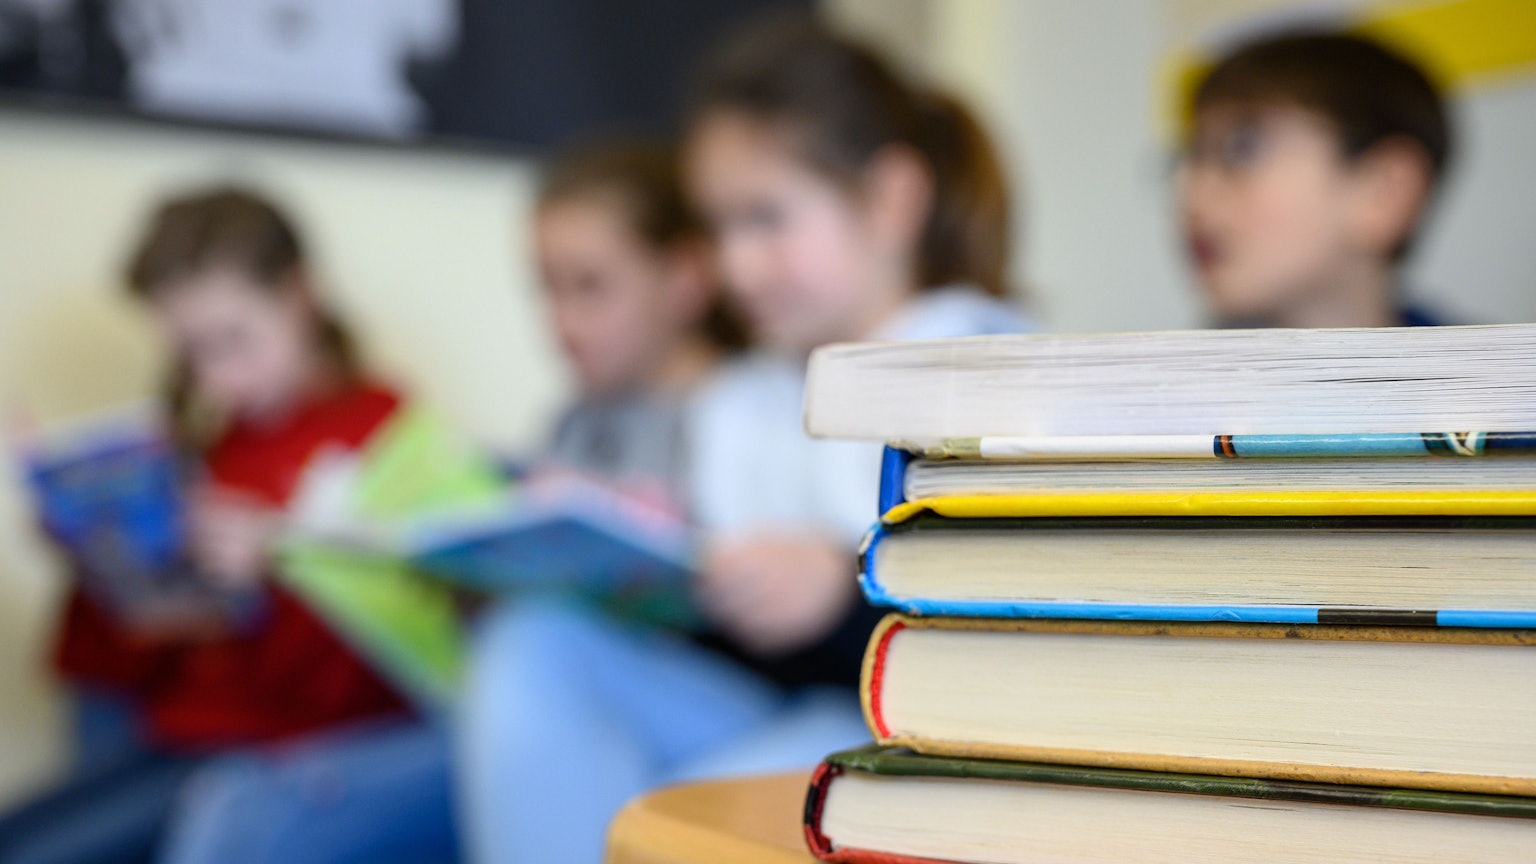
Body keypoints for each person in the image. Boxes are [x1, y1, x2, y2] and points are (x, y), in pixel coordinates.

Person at [458, 20, 1034, 864]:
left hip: (909, 733)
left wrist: (843, 589)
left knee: (686, 807)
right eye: (720, 228)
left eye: (767, 219)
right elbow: (730, 633)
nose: (738, 266)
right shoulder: (744, 397)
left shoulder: (983, 366)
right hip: (765, 704)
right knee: (535, 644)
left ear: (892, 199)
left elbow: (1017, 643)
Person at [0, 187, 455, 864]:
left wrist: (278, 570)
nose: (217, 379)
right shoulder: (212, 449)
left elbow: (386, 676)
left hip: (282, 763)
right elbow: (136, 665)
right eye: (193, 354)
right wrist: (94, 553)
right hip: (175, 741)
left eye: (234, 342)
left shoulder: (387, 442)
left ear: (302, 297)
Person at [1178, 30, 1455, 327]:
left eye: (1242, 149)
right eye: (1193, 157)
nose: (1193, 195)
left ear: (1384, 192)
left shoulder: (1491, 371)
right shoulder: (1174, 371)